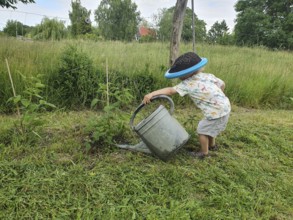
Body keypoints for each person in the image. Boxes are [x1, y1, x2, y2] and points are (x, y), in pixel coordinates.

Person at [143, 52, 231, 159]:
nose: (179, 77)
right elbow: (222, 84)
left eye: (180, 75)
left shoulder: (188, 83)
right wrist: (218, 97)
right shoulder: (207, 76)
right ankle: (212, 145)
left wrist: (152, 94)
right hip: (225, 106)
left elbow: (171, 91)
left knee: (202, 130)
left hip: (216, 111)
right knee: (210, 127)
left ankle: (204, 153)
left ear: (187, 73)